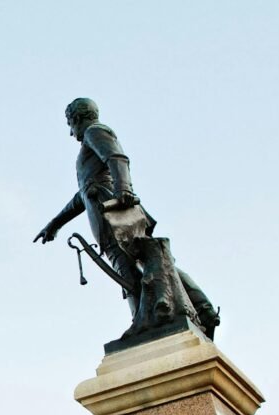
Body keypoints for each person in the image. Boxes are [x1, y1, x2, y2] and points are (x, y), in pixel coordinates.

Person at [34, 98, 218, 339]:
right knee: (153, 262)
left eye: (70, 124)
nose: (71, 132)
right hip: (112, 210)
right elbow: (83, 194)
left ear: (78, 119)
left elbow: (116, 158)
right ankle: (202, 310)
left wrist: (124, 191)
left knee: (130, 269)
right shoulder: (91, 141)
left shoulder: (94, 131)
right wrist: (55, 223)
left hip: (114, 214)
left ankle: (143, 321)